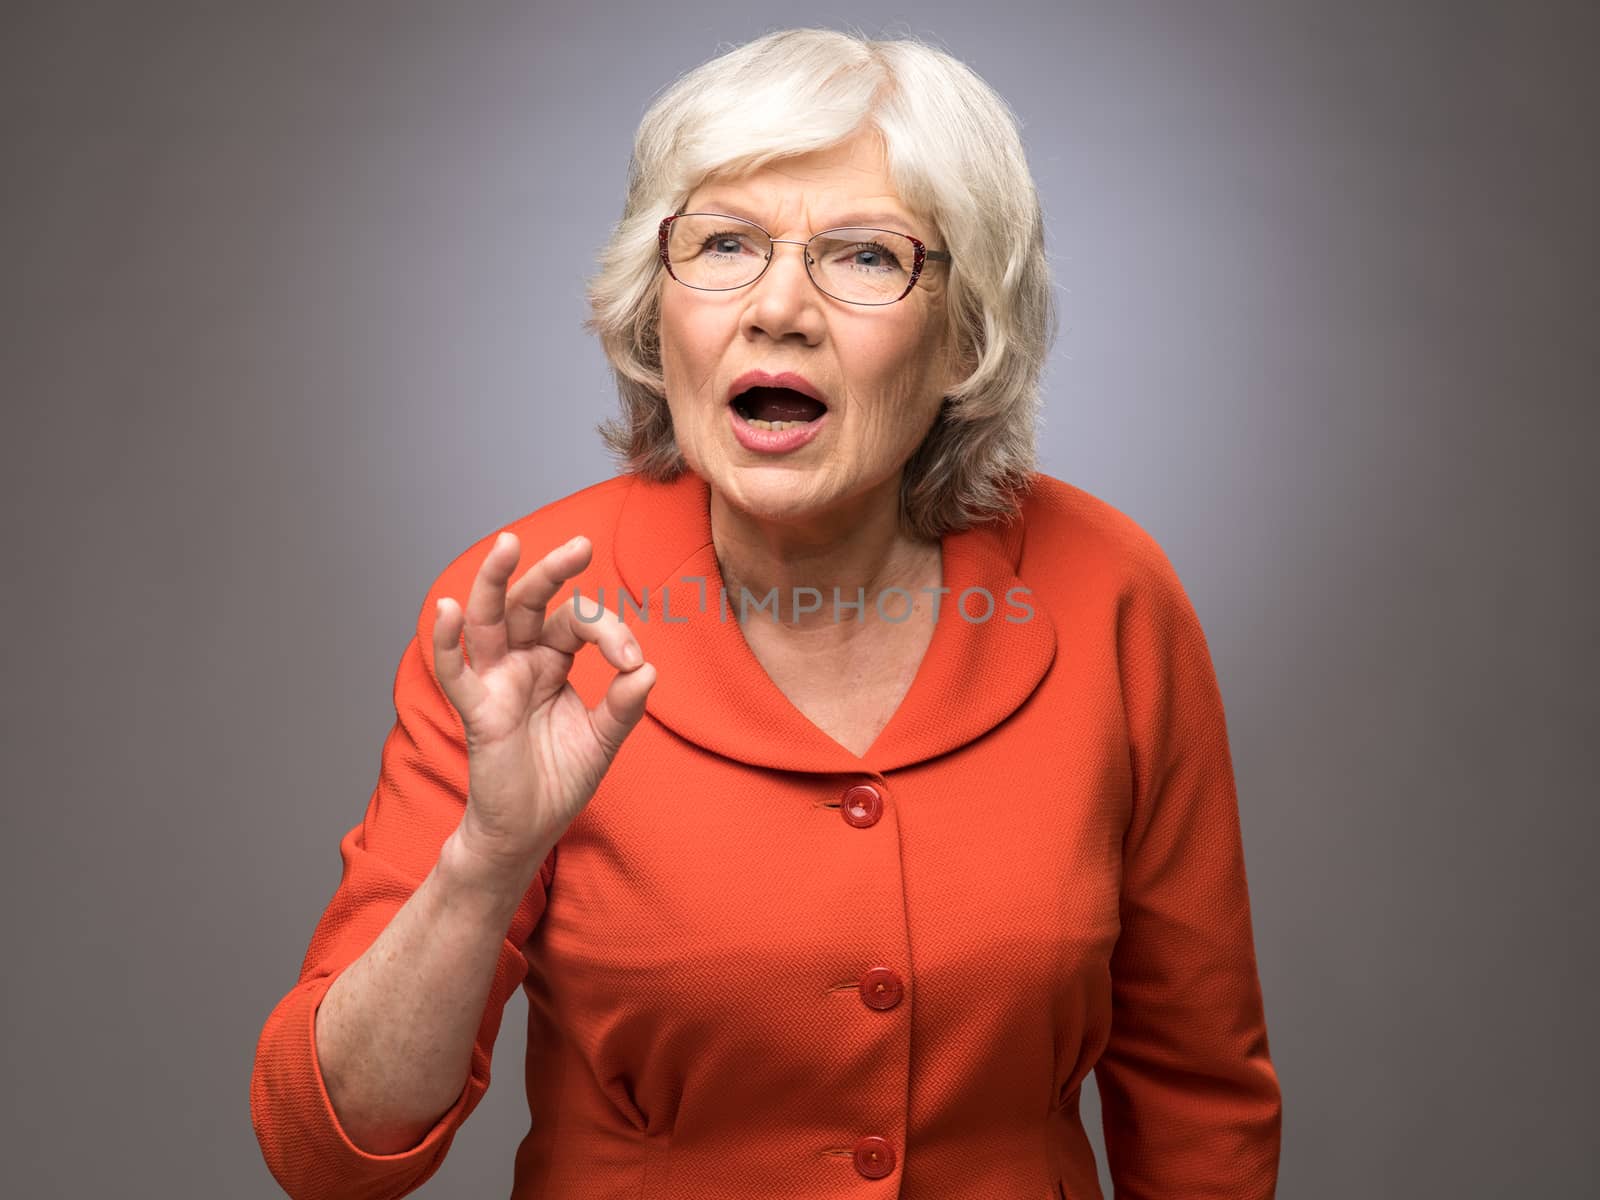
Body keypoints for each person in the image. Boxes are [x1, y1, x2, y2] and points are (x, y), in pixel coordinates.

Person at [250, 26, 1282, 1200]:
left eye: (863, 257)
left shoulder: (1111, 595)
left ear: (964, 334)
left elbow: (1200, 1105)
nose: (777, 308)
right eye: (724, 245)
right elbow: (326, 1152)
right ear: (655, 311)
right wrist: (485, 861)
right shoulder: (523, 610)